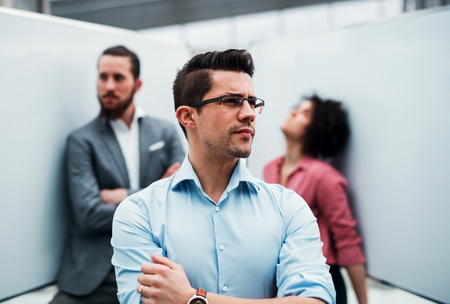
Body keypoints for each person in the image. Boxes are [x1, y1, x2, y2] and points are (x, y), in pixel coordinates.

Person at [111, 49, 336, 304]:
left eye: (252, 102)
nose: (249, 113)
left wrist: (194, 299)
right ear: (188, 116)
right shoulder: (140, 213)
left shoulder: (289, 208)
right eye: (232, 101)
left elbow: (315, 302)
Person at [50, 45, 185, 304]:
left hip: (155, 266)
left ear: (137, 84)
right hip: (95, 275)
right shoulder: (81, 140)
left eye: (118, 78)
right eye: (103, 77)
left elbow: (180, 198)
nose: (108, 86)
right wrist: (155, 189)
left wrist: (122, 195)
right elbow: (88, 215)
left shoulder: (165, 133)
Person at [263, 95, 368, 304]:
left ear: (318, 128)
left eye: (305, 113)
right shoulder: (270, 168)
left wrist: (364, 302)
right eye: (297, 108)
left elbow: (347, 239)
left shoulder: (324, 177)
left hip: (321, 282)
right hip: (280, 282)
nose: (292, 113)